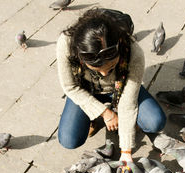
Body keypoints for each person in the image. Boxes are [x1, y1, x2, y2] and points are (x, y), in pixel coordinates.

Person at [56, 8, 166, 163]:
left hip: (120, 88)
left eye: (111, 67)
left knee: (155, 122)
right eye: (96, 69)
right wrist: (104, 113)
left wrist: (126, 151)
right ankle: (93, 115)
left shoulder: (133, 51)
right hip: (85, 89)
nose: (104, 74)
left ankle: (125, 118)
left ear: (119, 45)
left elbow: (128, 103)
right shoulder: (67, 43)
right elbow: (70, 87)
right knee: (69, 140)